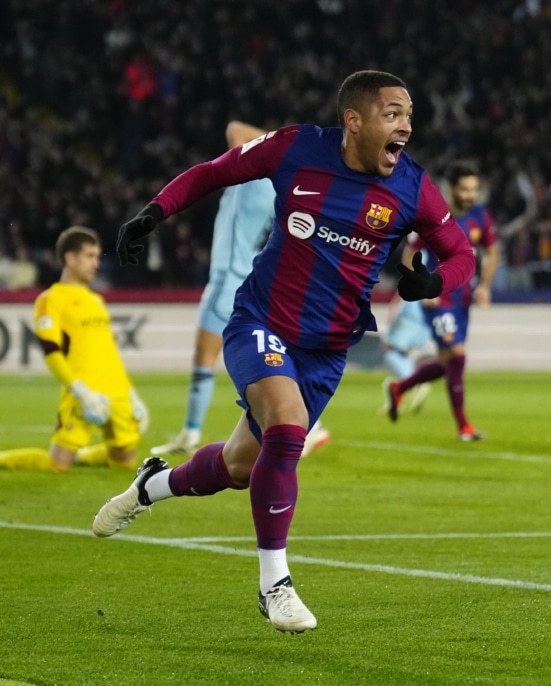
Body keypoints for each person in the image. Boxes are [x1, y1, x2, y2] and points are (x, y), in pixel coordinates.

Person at [91, 70, 476, 634]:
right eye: (394, 113)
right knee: (289, 427)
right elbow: (212, 172)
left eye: (410, 116)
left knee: (239, 467)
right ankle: (275, 584)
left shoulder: (413, 188)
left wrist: (432, 284)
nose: (406, 126)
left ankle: (152, 483)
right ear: (355, 120)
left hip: (327, 350)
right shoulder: (297, 148)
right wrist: (155, 211)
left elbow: (461, 254)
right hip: (260, 322)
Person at [149, 121, 330, 459]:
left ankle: (192, 432)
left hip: (228, 278)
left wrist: (279, 142)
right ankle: (307, 424)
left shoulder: (256, 179)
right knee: (264, 356)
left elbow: (234, 129)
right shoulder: (280, 187)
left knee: (212, 357)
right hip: (248, 277)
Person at [0, 226, 148, 472]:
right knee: (57, 465)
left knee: (125, 463)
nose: (96, 264)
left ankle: (85, 456)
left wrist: (131, 393)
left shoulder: (97, 300)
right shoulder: (51, 299)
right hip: (83, 394)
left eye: (96, 256)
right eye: (90, 256)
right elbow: (51, 351)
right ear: (70, 258)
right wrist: (79, 390)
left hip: (117, 393)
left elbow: (108, 351)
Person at [385, 161, 499, 441]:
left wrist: (484, 285)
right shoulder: (436, 216)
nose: (471, 195)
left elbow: (493, 251)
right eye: (465, 189)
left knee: (448, 360)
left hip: (464, 300)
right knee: (457, 357)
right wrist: (422, 288)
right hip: (439, 298)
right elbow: (410, 253)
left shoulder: (480, 217)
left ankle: (399, 389)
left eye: (474, 189)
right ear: (451, 189)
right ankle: (464, 427)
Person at [379, 290, 433, 414]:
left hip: (408, 329)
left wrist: (389, 335)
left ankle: (413, 383)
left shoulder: (410, 293)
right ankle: (402, 392)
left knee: (392, 356)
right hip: (419, 331)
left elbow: (395, 308)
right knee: (399, 360)